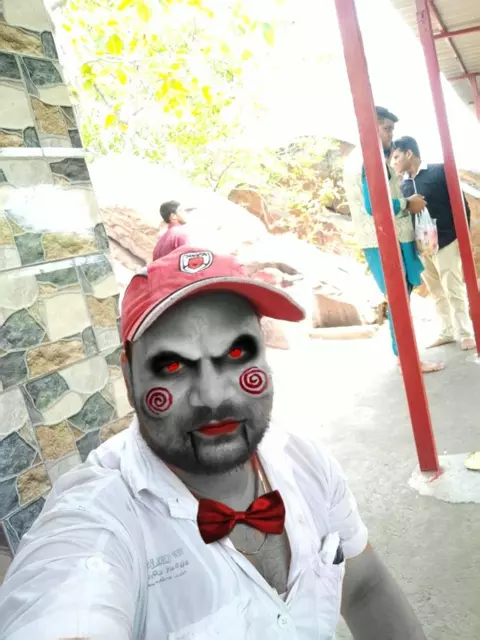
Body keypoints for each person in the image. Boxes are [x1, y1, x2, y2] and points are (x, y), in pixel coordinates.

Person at [0, 246, 427, 639]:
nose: (213, 396)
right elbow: (64, 602)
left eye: (237, 355)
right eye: (172, 365)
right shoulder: (96, 520)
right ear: (129, 378)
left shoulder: (306, 460)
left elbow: (365, 587)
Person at [343, 106, 443, 373]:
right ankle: (409, 361)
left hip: (377, 240)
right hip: (388, 241)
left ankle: (404, 358)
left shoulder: (356, 157)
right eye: (386, 129)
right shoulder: (370, 158)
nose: (390, 135)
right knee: (399, 300)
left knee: (398, 299)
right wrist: (408, 203)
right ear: (370, 127)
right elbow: (375, 205)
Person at [391, 136, 475, 351]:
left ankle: (466, 333)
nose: (394, 162)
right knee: (436, 291)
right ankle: (447, 332)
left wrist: (461, 237)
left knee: (453, 287)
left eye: (397, 157)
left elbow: (461, 205)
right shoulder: (402, 185)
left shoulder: (439, 171)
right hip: (422, 247)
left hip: (447, 241)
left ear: (409, 153)